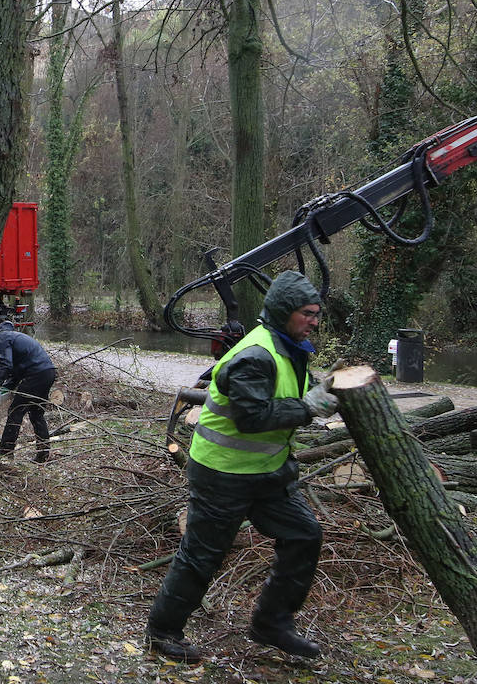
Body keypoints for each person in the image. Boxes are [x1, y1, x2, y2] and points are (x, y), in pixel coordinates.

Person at [145, 270, 339, 663]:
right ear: (285, 312)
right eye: (308, 313)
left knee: (304, 535)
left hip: (266, 473)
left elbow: (287, 400)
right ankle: (163, 630)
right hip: (222, 474)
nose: (315, 321)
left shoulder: (290, 348)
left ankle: (272, 623)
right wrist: (309, 407)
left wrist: (325, 393)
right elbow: (253, 417)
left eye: (317, 313)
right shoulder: (256, 355)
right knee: (202, 555)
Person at [0, 317, 57, 463]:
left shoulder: (1, 338)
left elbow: (6, 364)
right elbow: (18, 367)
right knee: (36, 413)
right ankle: (43, 454)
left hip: (36, 374)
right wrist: (6, 386)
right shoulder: (8, 336)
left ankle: (5, 453)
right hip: (46, 372)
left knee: (15, 411)